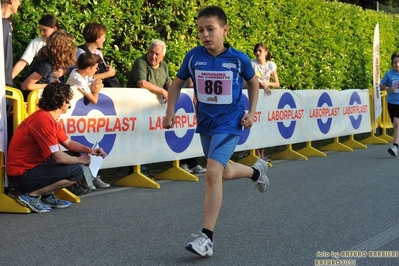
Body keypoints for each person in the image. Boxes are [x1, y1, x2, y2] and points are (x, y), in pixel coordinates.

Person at [162, 6, 269, 257]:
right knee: (220, 173)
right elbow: (176, 84)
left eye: (210, 29)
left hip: (231, 123)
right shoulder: (193, 57)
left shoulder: (238, 58)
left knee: (211, 173)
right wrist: (170, 111)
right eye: (201, 30)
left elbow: (253, 82)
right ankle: (256, 171)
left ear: (224, 29)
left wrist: (251, 112)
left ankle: (207, 238)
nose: (205, 34)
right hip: (207, 124)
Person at [6, 82, 107, 213]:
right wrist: (81, 160)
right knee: (76, 170)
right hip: (21, 176)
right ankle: (32, 196)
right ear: (62, 102)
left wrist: (90, 150)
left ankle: (47, 196)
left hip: (28, 169)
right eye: (68, 100)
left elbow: (68, 143)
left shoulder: (47, 117)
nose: (69, 104)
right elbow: (58, 158)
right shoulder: (43, 120)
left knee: (75, 156)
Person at [126, 39, 171, 175]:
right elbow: (142, 83)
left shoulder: (164, 66)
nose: (153, 56)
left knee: (149, 139)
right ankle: (137, 171)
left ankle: (147, 169)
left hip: (154, 112)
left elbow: (168, 82)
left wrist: (173, 91)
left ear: (162, 56)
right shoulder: (141, 62)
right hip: (136, 110)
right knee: (138, 138)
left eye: (157, 54)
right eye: (151, 52)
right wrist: (163, 91)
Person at [66, 53, 110, 190]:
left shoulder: (79, 73)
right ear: (88, 68)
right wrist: (97, 89)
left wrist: (98, 85)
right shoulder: (77, 78)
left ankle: (93, 176)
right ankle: (87, 179)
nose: (96, 70)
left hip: (81, 117)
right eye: (95, 67)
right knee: (81, 147)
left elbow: (95, 82)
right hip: (72, 118)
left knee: (91, 145)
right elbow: (94, 99)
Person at [20, 29, 76, 101]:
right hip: (31, 102)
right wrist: (50, 86)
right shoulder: (46, 66)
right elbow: (25, 86)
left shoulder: (48, 61)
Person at [251, 42, 279, 161]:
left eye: (260, 51)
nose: (258, 53)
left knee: (264, 126)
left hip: (266, 100)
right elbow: (252, 82)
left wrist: (267, 84)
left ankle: (262, 154)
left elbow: (277, 84)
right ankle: (257, 155)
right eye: (256, 51)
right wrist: (263, 86)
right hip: (256, 98)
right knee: (256, 125)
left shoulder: (271, 65)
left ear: (266, 52)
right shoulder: (252, 64)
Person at [12, 14, 59, 79]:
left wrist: (63, 71)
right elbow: (22, 63)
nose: (42, 33)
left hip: (54, 84)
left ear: (54, 29)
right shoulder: (36, 42)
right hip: (35, 82)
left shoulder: (62, 44)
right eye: (40, 30)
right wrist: (8, 79)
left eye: (44, 30)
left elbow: (71, 67)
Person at [76, 22, 120, 87]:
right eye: (103, 37)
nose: (104, 40)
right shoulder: (81, 53)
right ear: (97, 38)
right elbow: (84, 77)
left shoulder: (98, 53)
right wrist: (108, 74)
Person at [2, 0, 21, 145]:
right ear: (11, 1)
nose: (20, 4)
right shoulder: (2, 25)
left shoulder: (6, 25)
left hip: (7, 87)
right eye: (19, 0)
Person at [180, 78, 206, 174]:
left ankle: (193, 163)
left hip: (198, 104)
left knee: (196, 136)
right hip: (186, 103)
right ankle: (182, 163)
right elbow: (191, 85)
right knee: (184, 132)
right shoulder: (191, 65)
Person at [380, 52, 399, 157]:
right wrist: (388, 88)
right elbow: (381, 84)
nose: (397, 64)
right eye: (395, 62)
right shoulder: (389, 74)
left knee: (397, 124)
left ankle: (395, 146)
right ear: (392, 64)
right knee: (395, 124)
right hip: (391, 102)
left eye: (398, 62)